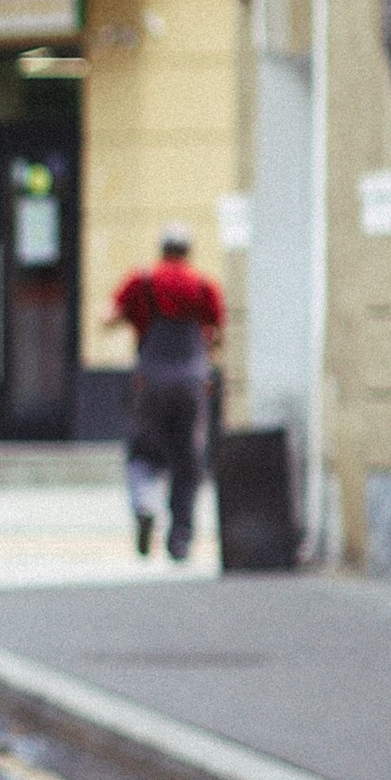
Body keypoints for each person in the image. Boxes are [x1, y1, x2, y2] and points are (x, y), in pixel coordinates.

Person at [105, 223, 224, 562]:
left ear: (162, 249)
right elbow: (216, 334)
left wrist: (128, 320)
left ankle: (144, 504)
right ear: (189, 251)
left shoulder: (142, 282)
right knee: (187, 461)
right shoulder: (203, 286)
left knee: (142, 450)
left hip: (150, 381)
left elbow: (107, 316)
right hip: (191, 383)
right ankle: (180, 539)